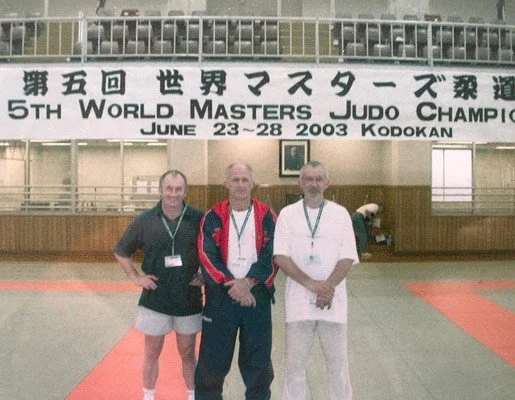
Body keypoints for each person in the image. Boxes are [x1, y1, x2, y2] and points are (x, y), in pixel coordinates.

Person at [113, 170, 204, 400]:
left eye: (178, 189)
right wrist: (136, 277)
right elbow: (121, 252)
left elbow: (215, 252)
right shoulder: (144, 220)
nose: (173, 194)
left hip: (188, 298)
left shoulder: (199, 219)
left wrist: (207, 275)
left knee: (187, 353)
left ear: (185, 191)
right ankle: (148, 396)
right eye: (169, 188)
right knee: (151, 352)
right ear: (161, 190)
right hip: (155, 299)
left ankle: (193, 395)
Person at [273, 161, 359, 400]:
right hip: (299, 300)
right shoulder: (287, 214)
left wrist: (327, 288)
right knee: (294, 365)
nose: (313, 184)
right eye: (308, 179)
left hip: (333, 300)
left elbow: (347, 256)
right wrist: (312, 285)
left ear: (326, 183)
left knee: (338, 365)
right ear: (300, 183)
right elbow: (280, 255)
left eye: (318, 179)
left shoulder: (340, 213)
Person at [195, 162, 277, 400]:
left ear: (253, 184)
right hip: (221, 297)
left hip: (256, 296)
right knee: (211, 363)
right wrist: (231, 285)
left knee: (258, 365)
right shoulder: (213, 216)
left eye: (245, 180)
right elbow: (205, 254)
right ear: (226, 183)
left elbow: (273, 255)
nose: (240, 185)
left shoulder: (267, 215)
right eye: (235, 179)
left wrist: (249, 282)